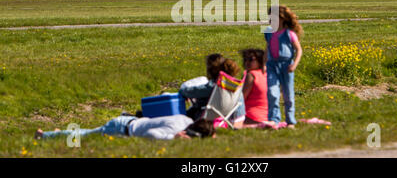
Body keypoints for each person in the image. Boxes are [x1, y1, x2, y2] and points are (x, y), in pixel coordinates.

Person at [179, 54, 246, 128]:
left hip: (212, 116)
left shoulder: (213, 86)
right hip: (232, 115)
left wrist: (183, 90)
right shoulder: (233, 83)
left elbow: (190, 92)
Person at [264, 5, 303, 129]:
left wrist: (294, 64)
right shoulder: (268, 33)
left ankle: (290, 121)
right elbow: (267, 48)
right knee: (272, 92)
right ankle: (274, 120)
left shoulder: (289, 34)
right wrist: (264, 64)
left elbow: (299, 50)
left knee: (288, 95)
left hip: (286, 66)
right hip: (271, 66)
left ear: (281, 18)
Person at [35, 114, 215, 140]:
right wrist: (172, 138)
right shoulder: (174, 130)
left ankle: (57, 133)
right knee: (86, 136)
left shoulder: (185, 119)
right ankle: (46, 135)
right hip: (121, 128)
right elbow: (151, 134)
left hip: (129, 121)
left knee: (88, 134)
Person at [241, 49, 268, 125]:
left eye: (251, 60)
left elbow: (242, 98)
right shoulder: (268, 74)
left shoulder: (251, 75)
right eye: (245, 59)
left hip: (251, 116)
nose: (247, 62)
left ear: (260, 60)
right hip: (268, 116)